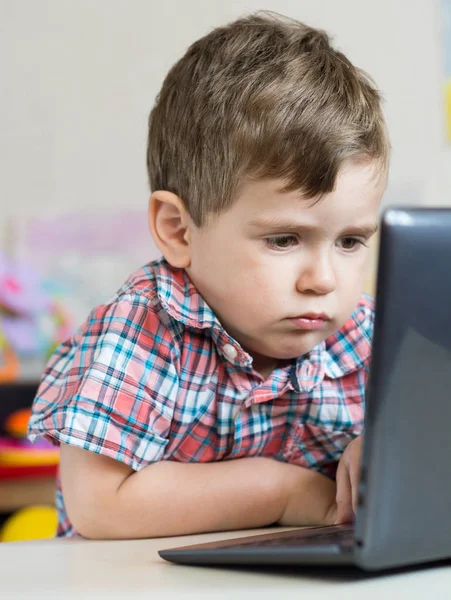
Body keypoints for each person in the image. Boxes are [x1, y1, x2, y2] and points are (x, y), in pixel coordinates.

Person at [28, 11, 390, 539]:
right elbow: (100, 507)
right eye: (284, 239)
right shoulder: (146, 328)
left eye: (350, 241)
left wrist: (382, 454)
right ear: (178, 230)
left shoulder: (363, 334)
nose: (324, 279)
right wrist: (283, 490)